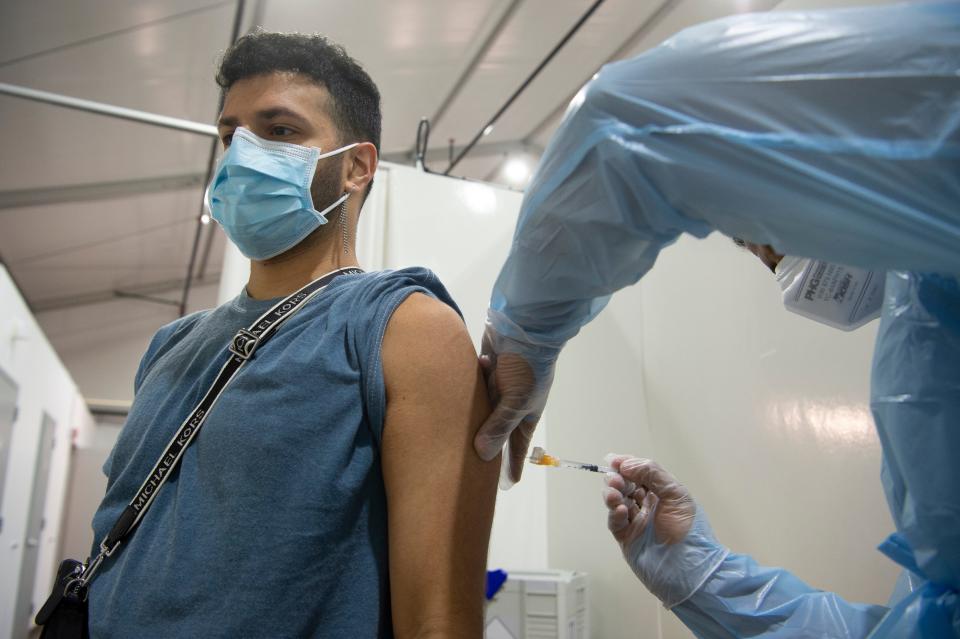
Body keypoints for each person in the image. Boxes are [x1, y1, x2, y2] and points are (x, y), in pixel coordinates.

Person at [473, 2, 959, 637]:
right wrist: (708, 579)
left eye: (753, 232)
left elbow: (636, 119)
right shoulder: (929, 301)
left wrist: (526, 333)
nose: (769, 257)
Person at [87, 32, 499, 638]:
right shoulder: (171, 346)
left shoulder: (403, 327)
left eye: (279, 132)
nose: (242, 155)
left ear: (357, 166)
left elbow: (439, 618)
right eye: (231, 136)